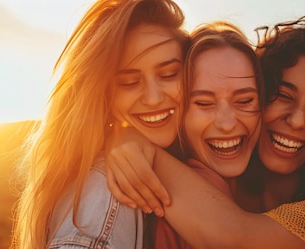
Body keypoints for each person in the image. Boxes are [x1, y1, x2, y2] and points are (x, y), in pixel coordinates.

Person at [105, 16, 305, 248]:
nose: (298, 120)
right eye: (284, 95)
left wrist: (138, 148)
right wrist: (125, 135)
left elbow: (233, 236)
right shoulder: (217, 171)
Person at [11, 0, 189, 248]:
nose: (153, 97)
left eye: (169, 74)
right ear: (104, 95)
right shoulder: (108, 193)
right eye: (128, 82)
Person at [151, 21, 264, 249]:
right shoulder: (172, 213)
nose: (226, 123)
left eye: (244, 101)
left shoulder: (263, 191)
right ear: (178, 113)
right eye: (203, 103)